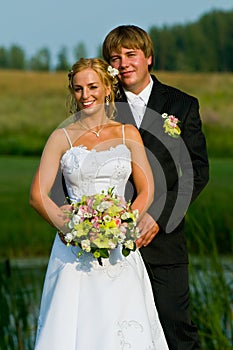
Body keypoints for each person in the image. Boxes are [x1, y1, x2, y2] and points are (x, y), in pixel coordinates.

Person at [30, 57, 169, 349]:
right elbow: (38, 194)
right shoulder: (61, 137)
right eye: (78, 89)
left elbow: (146, 189)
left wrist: (123, 224)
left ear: (108, 88)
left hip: (120, 247)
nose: (85, 95)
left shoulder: (127, 133)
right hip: (73, 252)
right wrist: (68, 227)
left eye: (92, 86)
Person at [102, 25, 209, 349]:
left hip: (165, 242)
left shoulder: (182, 104)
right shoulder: (101, 107)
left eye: (131, 55)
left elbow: (197, 171)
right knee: (117, 332)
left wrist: (158, 217)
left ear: (149, 57)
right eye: (115, 58)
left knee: (175, 330)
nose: (123, 64)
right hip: (111, 244)